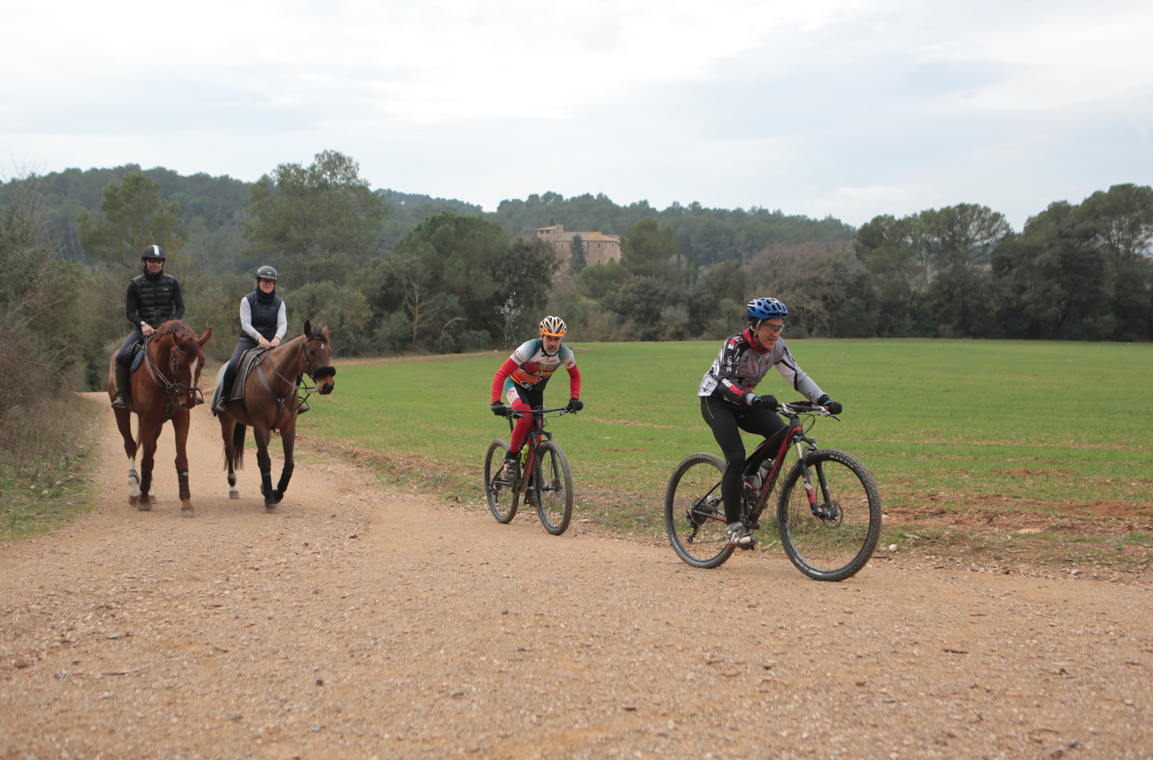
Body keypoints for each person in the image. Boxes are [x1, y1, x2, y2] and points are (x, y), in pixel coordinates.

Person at [698, 297, 842, 548]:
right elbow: (725, 381)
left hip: (747, 401)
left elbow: (796, 376)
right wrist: (753, 398)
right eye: (770, 328)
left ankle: (748, 481)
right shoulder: (736, 344)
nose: (775, 334)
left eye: (779, 328)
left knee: (780, 434)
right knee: (735, 455)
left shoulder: (778, 348)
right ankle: (733, 526)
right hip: (717, 400)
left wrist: (823, 399)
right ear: (755, 325)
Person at [490, 316, 583, 479]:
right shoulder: (529, 349)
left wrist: (574, 398)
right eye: (549, 338)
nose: (553, 343)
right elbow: (501, 373)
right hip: (516, 386)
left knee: (537, 433)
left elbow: (575, 376)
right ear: (542, 336)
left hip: (536, 392)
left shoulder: (565, 353)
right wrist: (496, 402)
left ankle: (531, 480)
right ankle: (510, 457)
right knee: (525, 418)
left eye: (557, 339)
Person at [111, 245, 186, 409]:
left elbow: (180, 308)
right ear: (144, 262)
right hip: (143, 330)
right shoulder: (135, 285)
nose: (155, 264)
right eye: (152, 260)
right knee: (122, 355)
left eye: (159, 261)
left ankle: (189, 391)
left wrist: (170, 324)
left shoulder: (172, 282)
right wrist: (143, 324)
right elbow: (130, 313)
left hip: (168, 330)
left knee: (191, 351)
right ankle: (121, 394)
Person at [214, 265, 287, 414]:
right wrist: (259, 337)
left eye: (271, 281)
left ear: (274, 284)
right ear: (258, 282)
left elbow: (283, 324)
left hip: (272, 342)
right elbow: (245, 324)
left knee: (293, 363)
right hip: (249, 340)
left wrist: (277, 338)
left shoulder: (280, 303)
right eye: (264, 280)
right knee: (233, 364)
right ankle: (223, 398)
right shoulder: (247, 300)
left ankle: (293, 400)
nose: (267, 284)